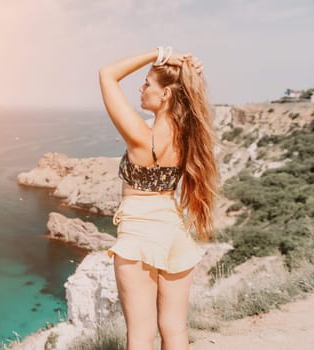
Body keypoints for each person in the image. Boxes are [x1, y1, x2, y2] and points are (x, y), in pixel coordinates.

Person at [99, 47, 218, 350]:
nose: (142, 89)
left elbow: (107, 75)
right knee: (176, 330)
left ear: (165, 94)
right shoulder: (191, 136)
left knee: (140, 335)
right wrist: (188, 73)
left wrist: (156, 54)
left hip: (139, 235)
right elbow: (193, 100)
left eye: (148, 83)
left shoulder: (141, 135)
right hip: (174, 232)